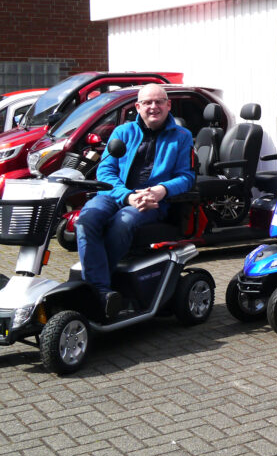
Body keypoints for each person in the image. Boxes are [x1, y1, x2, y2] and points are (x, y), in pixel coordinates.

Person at [76, 83, 195, 316]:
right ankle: (100, 289)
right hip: (115, 193)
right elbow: (105, 171)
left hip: (152, 200)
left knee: (123, 222)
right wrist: (127, 195)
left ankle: (97, 289)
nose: (154, 107)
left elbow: (187, 177)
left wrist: (162, 189)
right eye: (148, 102)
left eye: (159, 101)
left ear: (168, 105)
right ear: (138, 107)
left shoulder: (182, 136)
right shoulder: (122, 132)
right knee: (86, 220)